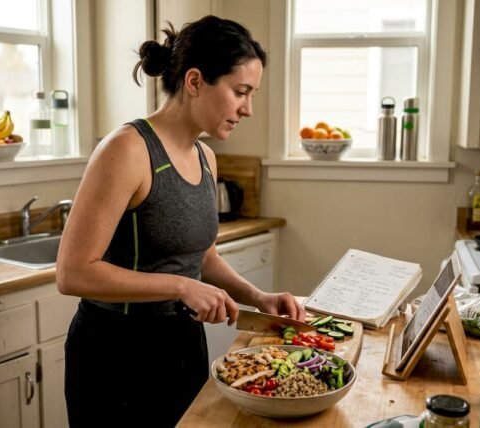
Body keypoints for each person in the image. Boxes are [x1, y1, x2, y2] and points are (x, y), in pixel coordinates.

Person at [57, 15, 305, 428]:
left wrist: (255, 296)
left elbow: (202, 256)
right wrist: (180, 286)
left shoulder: (205, 157)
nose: (247, 108)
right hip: (115, 354)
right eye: (240, 92)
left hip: (181, 344)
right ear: (194, 82)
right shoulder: (127, 150)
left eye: (252, 94)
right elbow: (72, 273)